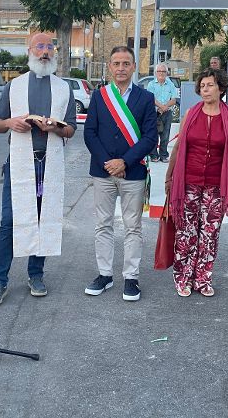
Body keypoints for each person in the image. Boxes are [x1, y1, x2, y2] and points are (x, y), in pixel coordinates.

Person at [0, 33, 77, 307]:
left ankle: (36, 274)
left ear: (55, 52)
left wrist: (54, 127)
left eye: (49, 47)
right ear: (30, 51)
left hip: (48, 163)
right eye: (40, 46)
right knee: (9, 221)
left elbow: (70, 129)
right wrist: (13, 122)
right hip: (20, 164)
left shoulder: (63, 88)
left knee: (43, 218)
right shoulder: (14, 86)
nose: (45, 51)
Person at [84, 46, 157, 302]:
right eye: (116, 63)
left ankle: (131, 278)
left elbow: (151, 137)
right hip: (103, 172)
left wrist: (124, 162)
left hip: (133, 171)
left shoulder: (146, 98)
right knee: (102, 225)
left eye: (126, 63)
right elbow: (89, 133)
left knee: (132, 227)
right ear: (110, 67)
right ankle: (105, 274)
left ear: (134, 67)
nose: (121, 68)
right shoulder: (99, 96)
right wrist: (108, 163)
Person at [164, 68, 228, 297]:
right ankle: (183, 278)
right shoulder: (190, 113)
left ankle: (203, 279)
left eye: (210, 85)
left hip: (216, 184)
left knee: (209, 233)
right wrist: (169, 177)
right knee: (186, 233)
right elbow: (178, 148)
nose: (205, 89)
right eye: (203, 85)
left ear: (221, 88)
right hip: (188, 181)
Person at [146, 63, 178, 162]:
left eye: (163, 71)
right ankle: (154, 155)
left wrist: (165, 107)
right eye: (159, 71)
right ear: (156, 73)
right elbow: (151, 98)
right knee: (154, 135)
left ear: (167, 73)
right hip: (154, 113)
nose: (161, 73)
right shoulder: (151, 84)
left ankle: (163, 155)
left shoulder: (171, 84)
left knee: (165, 135)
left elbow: (174, 100)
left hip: (167, 113)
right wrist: (161, 107)